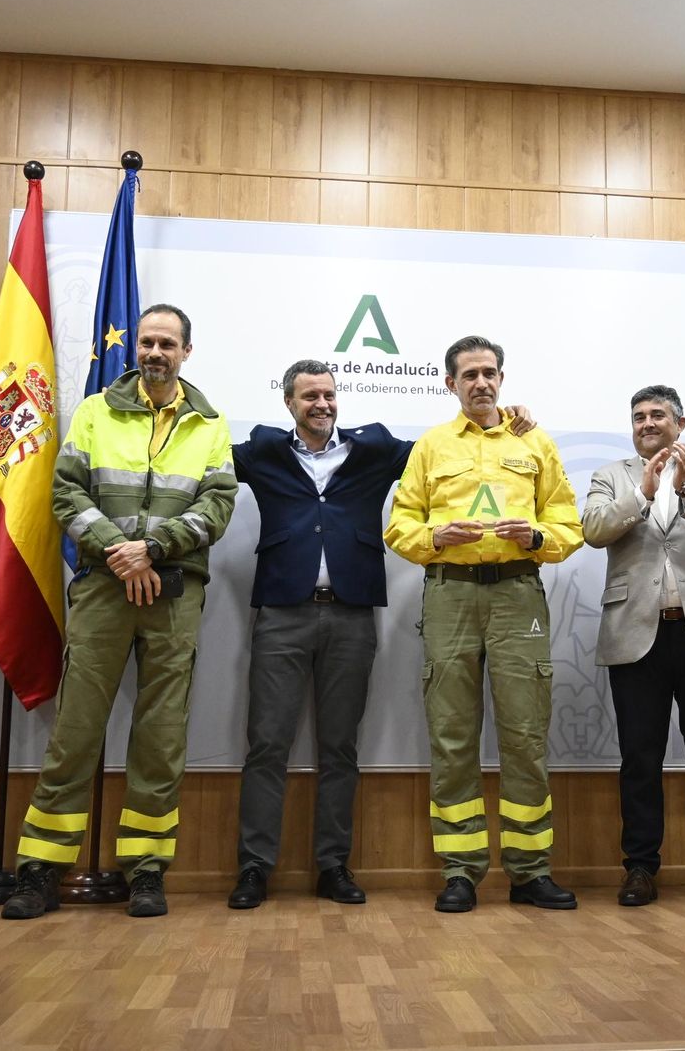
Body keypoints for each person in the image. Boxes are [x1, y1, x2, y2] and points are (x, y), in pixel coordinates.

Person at [226, 360, 538, 910]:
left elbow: (447, 449)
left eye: (328, 394)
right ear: (288, 403)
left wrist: (501, 416)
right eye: (308, 397)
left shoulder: (375, 450)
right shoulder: (263, 453)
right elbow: (207, 460)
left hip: (351, 615)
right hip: (281, 613)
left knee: (340, 747)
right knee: (267, 745)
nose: (321, 404)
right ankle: (254, 868)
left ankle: (332, 865)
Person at [1, 304, 237, 920]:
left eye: (168, 343)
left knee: (161, 737)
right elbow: (65, 491)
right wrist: (119, 551)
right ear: (135, 348)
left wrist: (154, 549)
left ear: (187, 351)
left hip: (174, 590)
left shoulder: (209, 424)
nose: (155, 351)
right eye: (147, 341)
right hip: (106, 588)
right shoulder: (94, 411)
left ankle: (147, 870)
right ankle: (40, 870)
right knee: (76, 728)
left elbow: (218, 505)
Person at [385, 336, 583, 913]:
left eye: (490, 372)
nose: (481, 382)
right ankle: (460, 871)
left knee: (525, 735)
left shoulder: (533, 442)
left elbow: (566, 521)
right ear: (450, 384)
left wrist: (539, 537)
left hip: (519, 593)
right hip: (449, 595)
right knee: (452, 735)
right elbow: (400, 525)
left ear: (502, 378)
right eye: (469, 374)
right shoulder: (431, 445)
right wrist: (435, 538)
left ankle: (530, 872)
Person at [582, 385, 685, 908]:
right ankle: (639, 868)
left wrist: (684, 490)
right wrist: (645, 492)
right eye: (638, 416)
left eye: (657, 415)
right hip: (637, 636)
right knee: (640, 757)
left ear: (680, 422)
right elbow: (593, 530)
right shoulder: (612, 476)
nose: (647, 423)